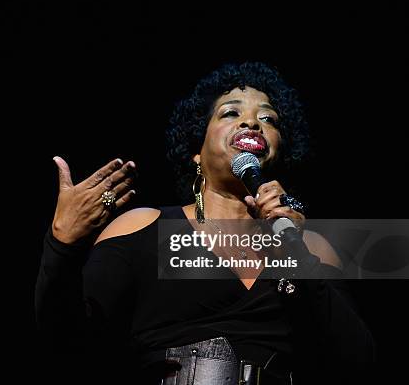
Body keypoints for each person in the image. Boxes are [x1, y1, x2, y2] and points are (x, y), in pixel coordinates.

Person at [35, 62, 374, 384]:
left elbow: (356, 361)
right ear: (196, 151)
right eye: (231, 112)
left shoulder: (311, 245)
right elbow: (68, 342)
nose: (252, 123)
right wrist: (62, 245)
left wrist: (293, 253)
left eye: (268, 119)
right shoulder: (144, 227)